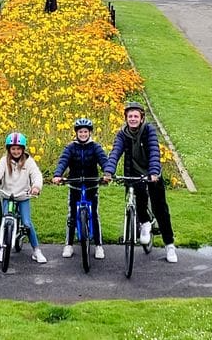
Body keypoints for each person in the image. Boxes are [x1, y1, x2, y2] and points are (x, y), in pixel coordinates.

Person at [102, 101, 177, 263]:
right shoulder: (122, 134)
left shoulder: (148, 130)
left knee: (160, 209)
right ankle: (144, 224)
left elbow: (154, 152)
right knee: (139, 199)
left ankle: (169, 245)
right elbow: (115, 152)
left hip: (152, 173)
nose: (133, 119)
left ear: (142, 118)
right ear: (126, 118)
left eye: (136, 116)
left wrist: (154, 172)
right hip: (134, 174)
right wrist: (108, 172)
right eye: (130, 116)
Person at [0, 131, 46, 263]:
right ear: (9, 149)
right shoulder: (4, 162)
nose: (16, 151)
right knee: (4, 220)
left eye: (18, 149)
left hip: (23, 196)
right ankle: (1, 249)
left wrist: (36, 186)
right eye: (13, 149)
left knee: (27, 224)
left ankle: (36, 250)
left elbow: (36, 175)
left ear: (23, 149)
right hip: (7, 196)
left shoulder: (29, 162)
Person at [52, 117, 107, 260]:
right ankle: (69, 244)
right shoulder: (70, 147)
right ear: (76, 133)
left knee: (94, 214)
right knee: (72, 215)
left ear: (90, 133)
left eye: (85, 132)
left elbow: (103, 161)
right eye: (80, 132)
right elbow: (63, 161)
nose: (83, 134)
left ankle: (99, 245)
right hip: (75, 185)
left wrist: (107, 173)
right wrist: (58, 174)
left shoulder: (95, 147)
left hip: (91, 185)